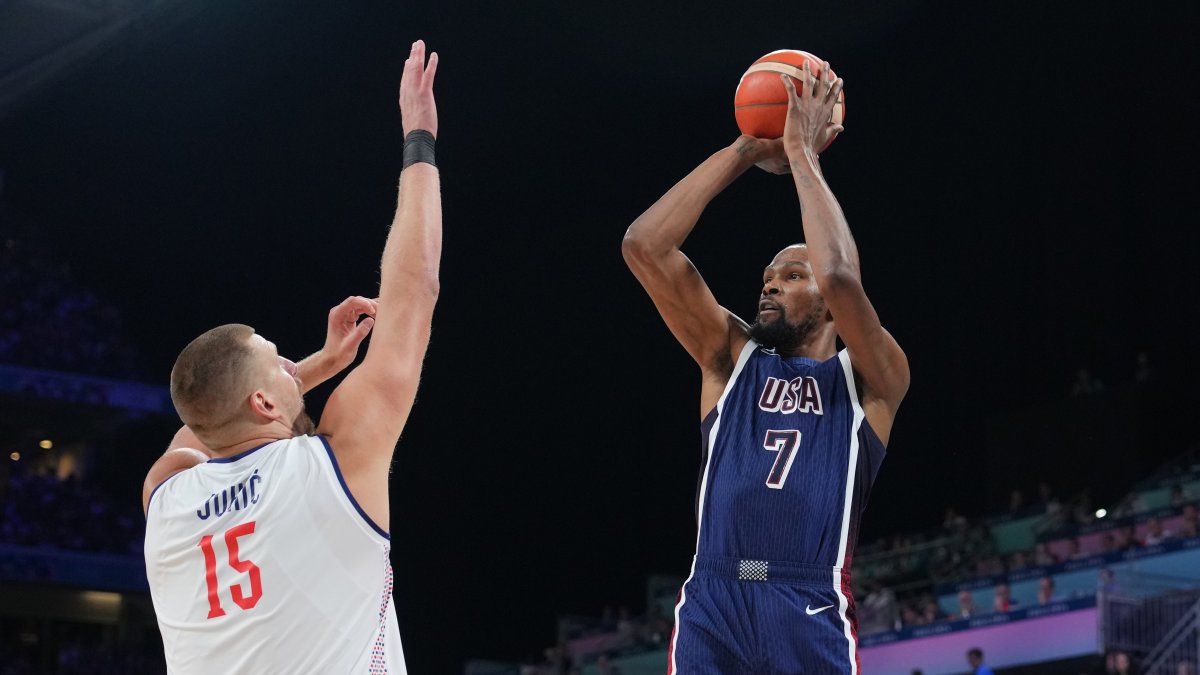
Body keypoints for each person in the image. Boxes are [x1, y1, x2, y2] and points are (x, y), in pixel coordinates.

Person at [140, 40, 441, 674]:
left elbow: (202, 419)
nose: (290, 362)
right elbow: (414, 292)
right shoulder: (331, 466)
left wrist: (306, 374)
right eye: (278, 360)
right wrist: (420, 140)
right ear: (263, 401)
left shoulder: (166, 496)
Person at [623, 61, 909, 672]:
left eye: (790, 275)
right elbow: (643, 245)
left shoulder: (871, 378)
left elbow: (839, 275)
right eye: (767, 278)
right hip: (717, 591)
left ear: (830, 306)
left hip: (808, 597)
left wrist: (802, 154)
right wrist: (746, 148)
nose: (771, 287)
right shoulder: (731, 358)